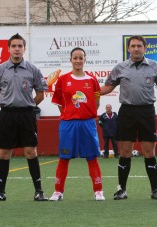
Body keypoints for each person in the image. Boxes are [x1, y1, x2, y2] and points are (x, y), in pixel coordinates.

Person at [0, 33, 48, 202]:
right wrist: (8, 106)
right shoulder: (0, 70)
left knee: (30, 151)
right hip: (7, 115)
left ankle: (39, 191)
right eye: (14, 46)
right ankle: (0, 192)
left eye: (20, 46)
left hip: (27, 115)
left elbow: (41, 94)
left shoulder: (33, 69)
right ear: (8, 48)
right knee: (4, 152)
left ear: (24, 49)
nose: (17, 49)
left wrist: (27, 105)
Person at [100, 35, 157, 200]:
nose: (136, 49)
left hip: (147, 112)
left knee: (149, 152)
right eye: (133, 46)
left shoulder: (154, 67)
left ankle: (155, 190)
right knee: (125, 151)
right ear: (128, 49)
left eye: (139, 46)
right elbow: (108, 87)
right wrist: (89, 92)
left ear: (145, 48)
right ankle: (122, 190)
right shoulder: (120, 68)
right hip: (127, 112)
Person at [49, 47, 105, 201]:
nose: (78, 61)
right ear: (71, 59)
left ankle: (98, 191)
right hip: (68, 124)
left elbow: (96, 102)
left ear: (85, 59)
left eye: (81, 58)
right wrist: (69, 113)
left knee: (92, 157)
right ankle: (58, 191)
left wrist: (85, 113)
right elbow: (60, 103)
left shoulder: (92, 80)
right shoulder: (63, 79)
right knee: (64, 157)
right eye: (75, 58)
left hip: (87, 123)